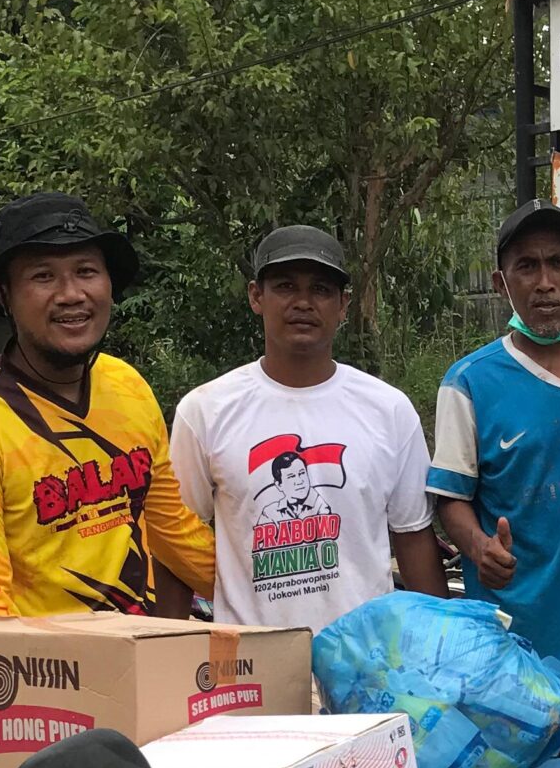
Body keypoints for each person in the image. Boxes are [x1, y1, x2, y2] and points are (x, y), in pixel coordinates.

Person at [0, 193, 214, 619]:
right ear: (5, 295)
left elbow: (175, 533)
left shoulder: (126, 385)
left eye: (87, 272)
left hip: (147, 659)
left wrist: (270, 599)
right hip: (49, 675)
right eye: (43, 276)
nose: (71, 294)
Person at [428, 200, 560, 755]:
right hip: (511, 652)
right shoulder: (469, 382)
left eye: (558, 263)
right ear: (502, 283)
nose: (544, 283)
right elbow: (450, 498)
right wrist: (478, 548)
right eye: (526, 266)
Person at [171, 225, 444, 629]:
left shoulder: (389, 410)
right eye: (285, 286)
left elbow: (413, 537)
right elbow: (176, 544)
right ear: (255, 296)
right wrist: (167, 659)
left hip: (364, 665)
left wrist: (438, 649)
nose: (303, 302)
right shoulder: (205, 411)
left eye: (320, 289)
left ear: (343, 304)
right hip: (252, 663)